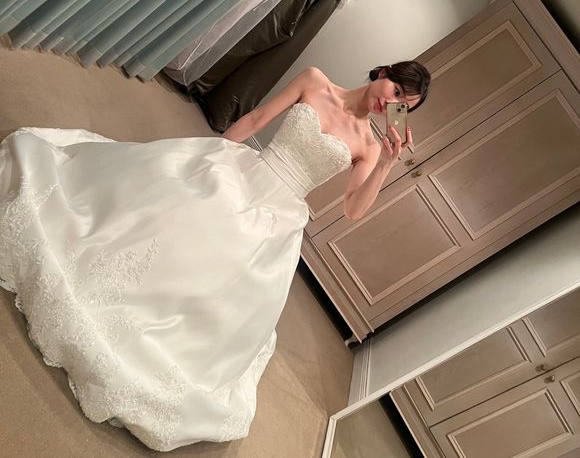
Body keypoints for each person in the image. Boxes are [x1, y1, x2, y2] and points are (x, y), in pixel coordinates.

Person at [0, 61, 429, 451]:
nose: (391, 104)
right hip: (246, 173)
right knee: (179, 215)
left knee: (226, 266)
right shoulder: (316, 80)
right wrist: (211, 154)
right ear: (383, 73)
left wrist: (386, 164)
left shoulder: (370, 146)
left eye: (403, 106)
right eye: (396, 91)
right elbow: (258, 119)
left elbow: (353, 210)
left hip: (279, 213)